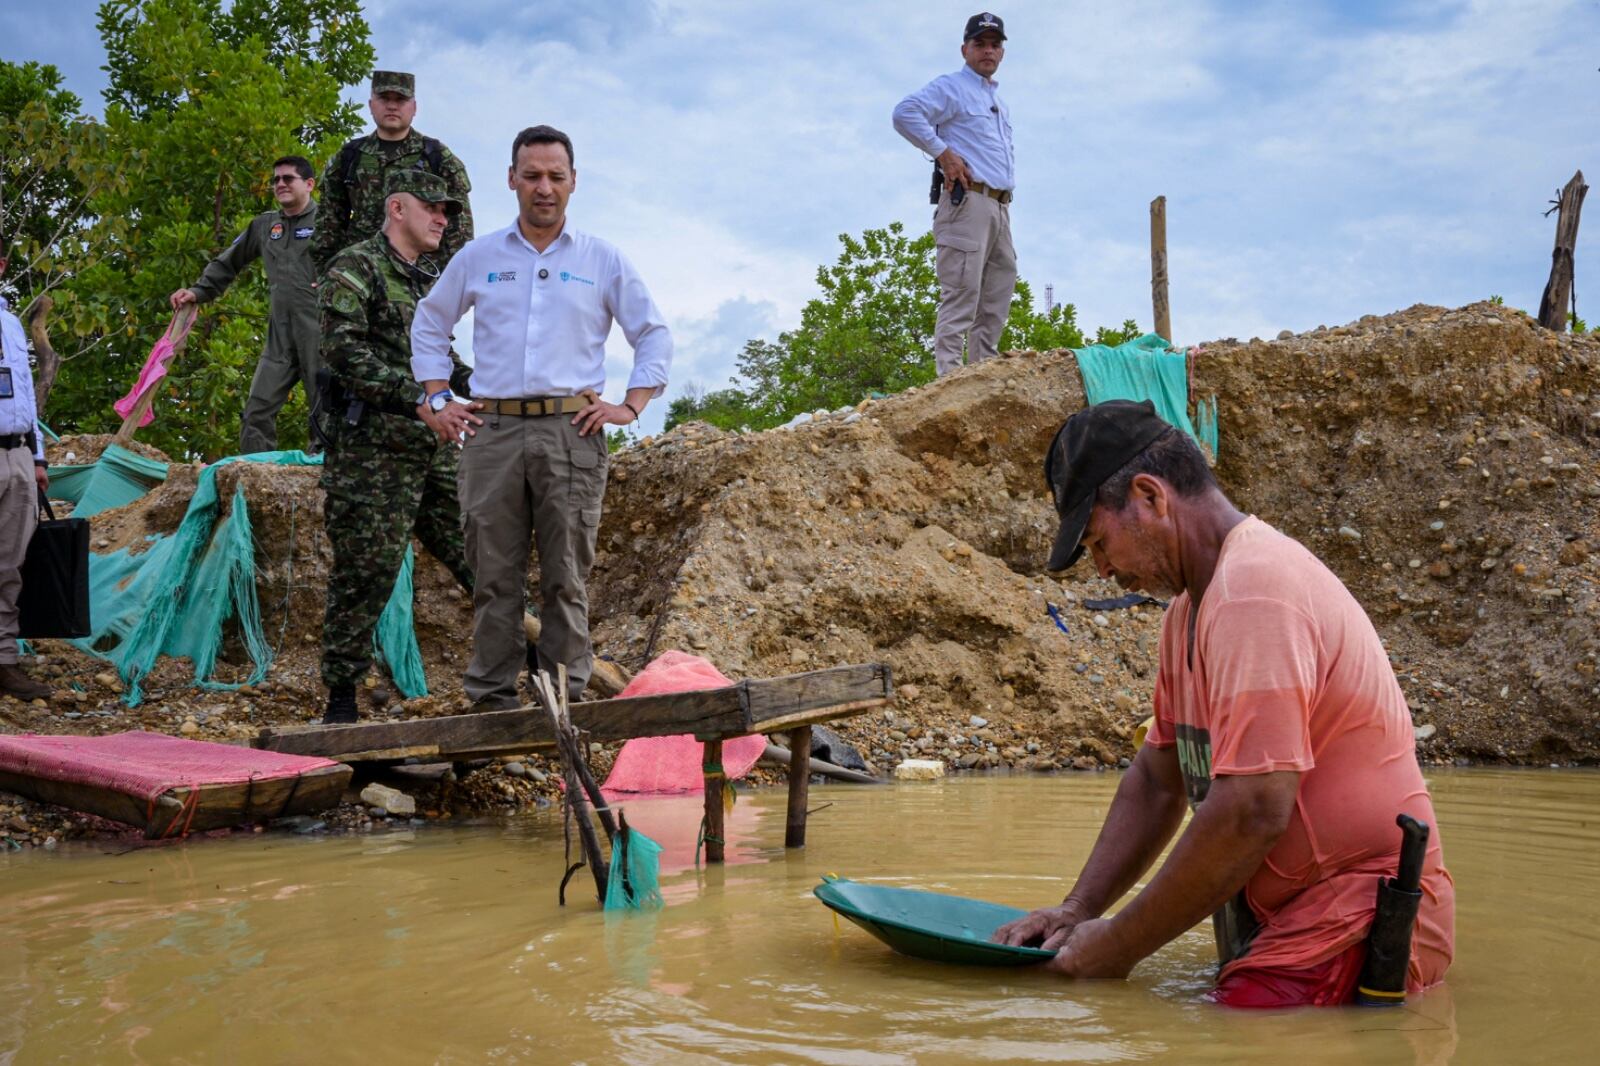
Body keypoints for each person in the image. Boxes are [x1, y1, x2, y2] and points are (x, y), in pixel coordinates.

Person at [994, 399, 1454, 1008]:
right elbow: (1158, 778)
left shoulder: (1254, 590)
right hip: (1286, 919)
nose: (1102, 571)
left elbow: (1253, 810)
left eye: (1100, 542)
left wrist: (1115, 949)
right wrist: (1077, 911)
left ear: (1151, 497)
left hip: (1356, 916)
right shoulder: (1190, 611)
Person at [412, 125, 671, 708]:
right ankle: (492, 699)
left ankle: (565, 697)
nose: (544, 188)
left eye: (556, 176)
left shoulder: (602, 259)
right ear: (512, 180)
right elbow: (430, 323)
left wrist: (630, 405)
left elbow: (652, 333)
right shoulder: (479, 258)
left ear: (574, 181)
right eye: (532, 176)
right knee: (493, 576)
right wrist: (436, 399)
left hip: (571, 431)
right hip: (491, 430)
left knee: (566, 575)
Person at [317, 170, 475, 724]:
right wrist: (421, 401)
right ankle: (340, 702)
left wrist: (495, 390)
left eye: (447, 211)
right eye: (432, 207)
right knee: (365, 576)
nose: (442, 218)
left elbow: (443, 359)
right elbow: (343, 352)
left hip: (429, 449)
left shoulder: (424, 280)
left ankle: (537, 663)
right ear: (397, 207)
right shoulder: (354, 266)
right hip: (370, 455)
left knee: (482, 556)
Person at [170, 156, 323, 454]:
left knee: (326, 408)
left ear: (309, 184)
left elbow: (359, 264)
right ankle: (257, 477)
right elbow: (229, 261)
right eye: (276, 179)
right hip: (279, 335)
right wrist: (198, 292)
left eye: (288, 178)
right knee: (257, 409)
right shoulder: (265, 225)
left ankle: (327, 474)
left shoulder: (330, 221)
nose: (280, 184)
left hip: (320, 332)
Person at [893, 12, 1017, 376]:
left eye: (995, 45)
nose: (988, 51)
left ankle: (982, 377)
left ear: (1002, 52)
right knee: (962, 292)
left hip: (1000, 206)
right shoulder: (952, 87)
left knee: (996, 294)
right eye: (980, 44)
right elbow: (905, 113)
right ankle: (949, 378)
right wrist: (942, 153)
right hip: (968, 203)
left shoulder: (999, 102)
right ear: (965, 49)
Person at [313, 71, 474, 276]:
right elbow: (329, 221)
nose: (392, 106)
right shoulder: (349, 156)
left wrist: (450, 280)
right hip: (359, 272)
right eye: (384, 98)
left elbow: (459, 229)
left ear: (414, 107)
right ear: (371, 105)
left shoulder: (437, 156)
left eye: (400, 99)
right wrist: (326, 270)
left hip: (419, 275)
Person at [0, 248, 52, 701]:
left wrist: (37, 459)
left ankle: (5, 663)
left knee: (10, 563)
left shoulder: (12, 324)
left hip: (16, 453)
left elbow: (26, 400)